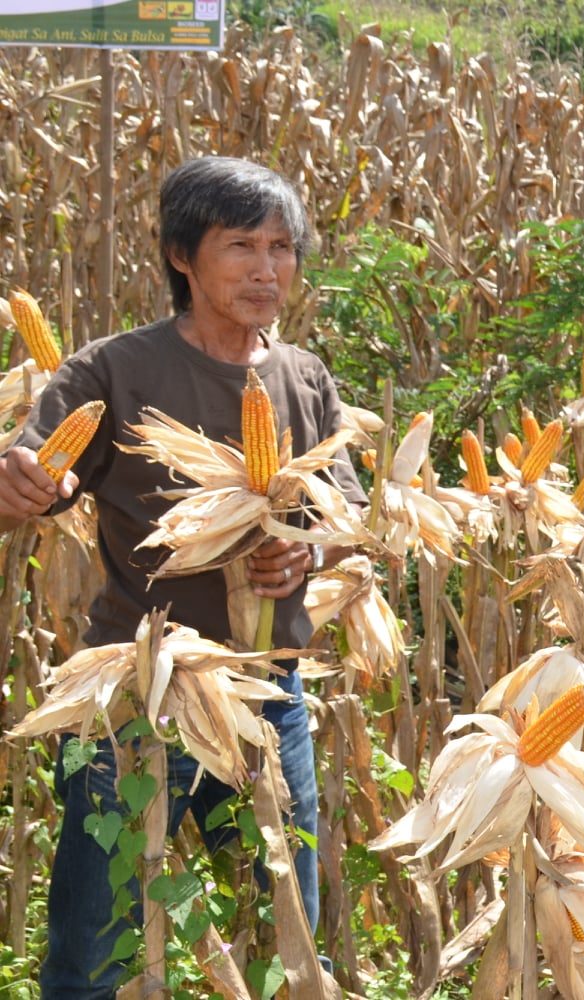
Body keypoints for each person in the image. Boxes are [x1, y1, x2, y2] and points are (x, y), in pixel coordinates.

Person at [0, 156, 364, 996]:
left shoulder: (304, 377)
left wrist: (308, 552)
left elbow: (348, 524)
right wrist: (21, 484)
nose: (267, 269)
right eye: (241, 245)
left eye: (282, 247)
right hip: (139, 693)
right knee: (94, 943)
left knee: (286, 937)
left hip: (272, 695)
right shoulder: (113, 371)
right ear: (180, 256)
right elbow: (28, 473)